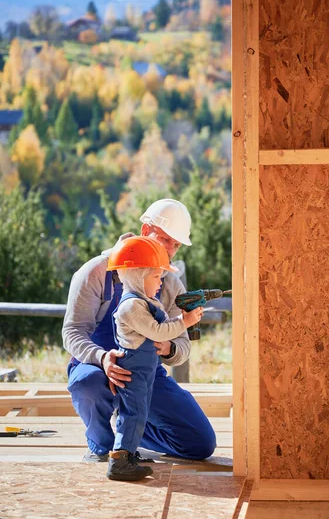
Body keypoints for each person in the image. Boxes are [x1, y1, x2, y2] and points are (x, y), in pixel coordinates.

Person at [63, 198, 216, 463]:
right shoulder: (95, 272)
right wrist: (102, 358)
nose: (169, 250)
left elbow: (183, 346)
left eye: (176, 244)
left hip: (146, 373)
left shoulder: (170, 285)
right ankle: (102, 445)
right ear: (146, 231)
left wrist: (168, 348)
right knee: (87, 383)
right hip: (99, 368)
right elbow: (73, 332)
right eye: (164, 239)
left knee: (200, 443)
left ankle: (130, 428)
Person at [104, 235, 203, 481]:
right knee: (134, 414)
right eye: (156, 277)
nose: (161, 282)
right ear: (138, 277)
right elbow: (158, 331)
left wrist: (178, 327)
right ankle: (120, 461)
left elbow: (163, 331)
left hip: (147, 370)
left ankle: (129, 453)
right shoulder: (131, 306)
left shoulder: (145, 301)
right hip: (135, 370)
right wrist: (184, 322)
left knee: (141, 412)